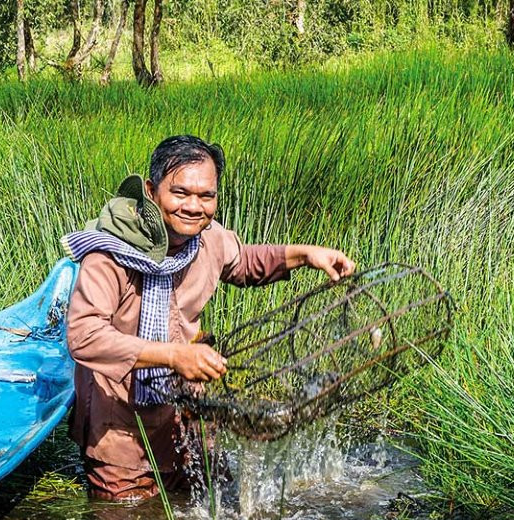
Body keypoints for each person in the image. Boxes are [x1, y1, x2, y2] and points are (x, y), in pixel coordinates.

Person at [64, 134, 355, 501]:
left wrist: (306, 254)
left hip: (183, 413)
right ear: (152, 191)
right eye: (180, 193)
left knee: (206, 512)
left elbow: (245, 261)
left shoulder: (208, 239)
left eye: (206, 196)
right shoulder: (109, 255)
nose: (193, 207)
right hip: (118, 423)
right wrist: (174, 355)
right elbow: (84, 336)